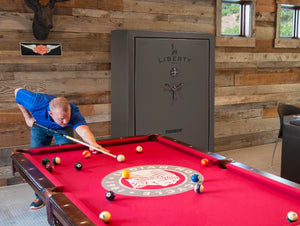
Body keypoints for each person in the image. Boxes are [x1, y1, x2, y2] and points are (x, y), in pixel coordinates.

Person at [15, 88, 107, 210]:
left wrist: (92, 143)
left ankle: (69, 196)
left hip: (62, 131)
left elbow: (83, 129)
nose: (65, 121)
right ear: (51, 114)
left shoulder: (72, 112)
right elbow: (17, 92)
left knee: (67, 159)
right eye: (61, 119)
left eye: (67, 117)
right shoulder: (35, 102)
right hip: (39, 127)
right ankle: (40, 196)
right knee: (36, 162)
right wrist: (27, 117)